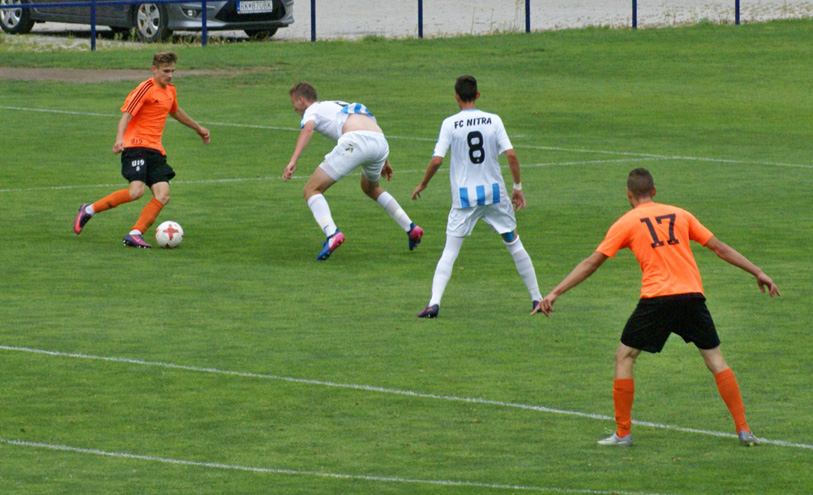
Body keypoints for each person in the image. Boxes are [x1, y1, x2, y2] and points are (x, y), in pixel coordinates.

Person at [533, 168, 779, 447]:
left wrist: (555, 292)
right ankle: (744, 429)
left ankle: (623, 433)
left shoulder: (627, 222)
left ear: (628, 194)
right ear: (654, 191)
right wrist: (758, 271)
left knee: (624, 357)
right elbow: (720, 248)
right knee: (716, 361)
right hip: (691, 297)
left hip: (657, 299)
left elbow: (592, 263)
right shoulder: (680, 214)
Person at [411, 75, 542, 318]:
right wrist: (517, 187)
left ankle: (434, 303)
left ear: (456, 97)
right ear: (478, 95)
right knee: (513, 242)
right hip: (494, 195)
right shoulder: (493, 120)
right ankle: (537, 298)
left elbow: (437, 160)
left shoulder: (450, 124)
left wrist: (423, 184)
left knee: (450, 251)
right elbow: (511, 155)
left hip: (465, 199)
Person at [73, 51, 210, 248]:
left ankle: (135, 234)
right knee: (136, 192)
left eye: (172, 71)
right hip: (135, 147)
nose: (170, 75)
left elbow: (175, 111)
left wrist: (198, 128)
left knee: (163, 194)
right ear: (154, 69)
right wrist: (119, 139)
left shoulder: (170, 91)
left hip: (155, 150)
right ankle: (88, 210)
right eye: (165, 71)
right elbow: (126, 115)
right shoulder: (145, 88)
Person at [283, 82, 423, 260]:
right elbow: (370, 126)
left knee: (311, 189)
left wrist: (293, 160)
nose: (294, 108)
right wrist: (385, 161)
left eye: (294, 103)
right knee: (371, 187)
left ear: (302, 100)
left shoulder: (313, 109)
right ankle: (411, 228)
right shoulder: (338, 104)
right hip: (380, 143)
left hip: (355, 141)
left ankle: (332, 234)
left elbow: (307, 129)